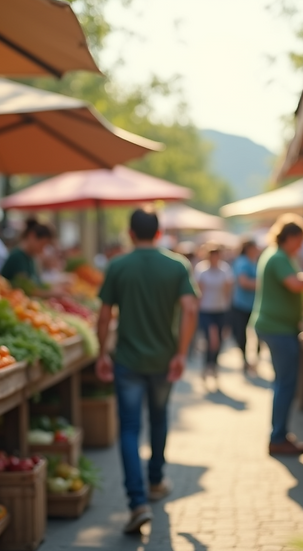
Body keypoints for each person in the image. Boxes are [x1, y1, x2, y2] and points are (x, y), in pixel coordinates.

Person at [95, 207, 199, 534]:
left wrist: (101, 353)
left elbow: (104, 315)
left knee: (128, 429)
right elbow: (190, 308)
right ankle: (156, 481)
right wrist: (181, 353)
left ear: (130, 233)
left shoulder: (117, 266)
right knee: (158, 417)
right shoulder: (176, 266)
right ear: (158, 233)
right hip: (163, 359)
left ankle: (137, 502)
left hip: (127, 359)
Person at [253, 214, 303, 455]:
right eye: (299, 241)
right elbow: (296, 284)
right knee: (285, 383)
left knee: (283, 382)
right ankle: (278, 437)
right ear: (289, 238)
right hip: (277, 327)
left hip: (277, 326)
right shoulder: (278, 257)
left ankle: (279, 433)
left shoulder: (278, 255)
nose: (301, 246)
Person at [194, 244, 233, 380]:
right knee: (212, 339)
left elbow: (228, 289)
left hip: (220, 309)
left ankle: (213, 365)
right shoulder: (201, 270)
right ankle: (207, 365)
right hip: (206, 310)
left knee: (219, 341)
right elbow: (198, 290)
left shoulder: (225, 269)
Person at [229, 240, 260, 374]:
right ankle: (245, 360)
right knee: (242, 334)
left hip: (253, 303)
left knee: (258, 333)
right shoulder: (242, 262)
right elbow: (243, 282)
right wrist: (264, 284)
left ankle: (254, 359)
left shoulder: (253, 262)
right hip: (241, 304)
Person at [0, 221, 54, 287]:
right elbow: (27, 288)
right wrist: (52, 293)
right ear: (32, 236)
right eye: (42, 244)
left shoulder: (32, 258)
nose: (42, 249)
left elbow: (37, 283)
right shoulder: (17, 257)